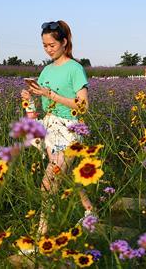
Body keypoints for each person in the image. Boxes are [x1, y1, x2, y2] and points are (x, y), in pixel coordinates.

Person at [20, 20, 96, 236]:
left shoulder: (75, 68)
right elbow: (36, 110)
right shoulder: (46, 71)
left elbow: (83, 106)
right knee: (66, 175)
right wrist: (29, 98)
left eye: (52, 45)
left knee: (48, 181)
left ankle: (40, 234)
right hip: (50, 127)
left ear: (64, 42)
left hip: (70, 129)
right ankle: (90, 210)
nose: (48, 49)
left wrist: (50, 95)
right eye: (44, 45)